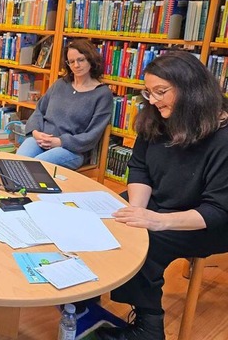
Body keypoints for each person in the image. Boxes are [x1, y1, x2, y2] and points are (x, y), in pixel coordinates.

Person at [94, 51, 228, 340]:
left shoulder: (223, 137)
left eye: (161, 92)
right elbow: (139, 167)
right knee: (111, 219)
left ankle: (149, 328)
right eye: (148, 91)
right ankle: (86, 295)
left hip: (207, 220)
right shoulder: (156, 116)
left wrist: (155, 221)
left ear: (191, 89)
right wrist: (137, 210)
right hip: (160, 204)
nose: (152, 100)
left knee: (147, 241)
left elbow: (218, 211)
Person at [16, 39, 113, 169]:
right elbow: (39, 110)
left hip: (71, 150)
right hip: (41, 140)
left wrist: (60, 141)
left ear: (91, 59)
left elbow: (93, 134)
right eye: (71, 62)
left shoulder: (102, 94)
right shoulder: (60, 84)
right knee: (16, 161)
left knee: (35, 167)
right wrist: (35, 132)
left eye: (81, 60)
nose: (76, 65)